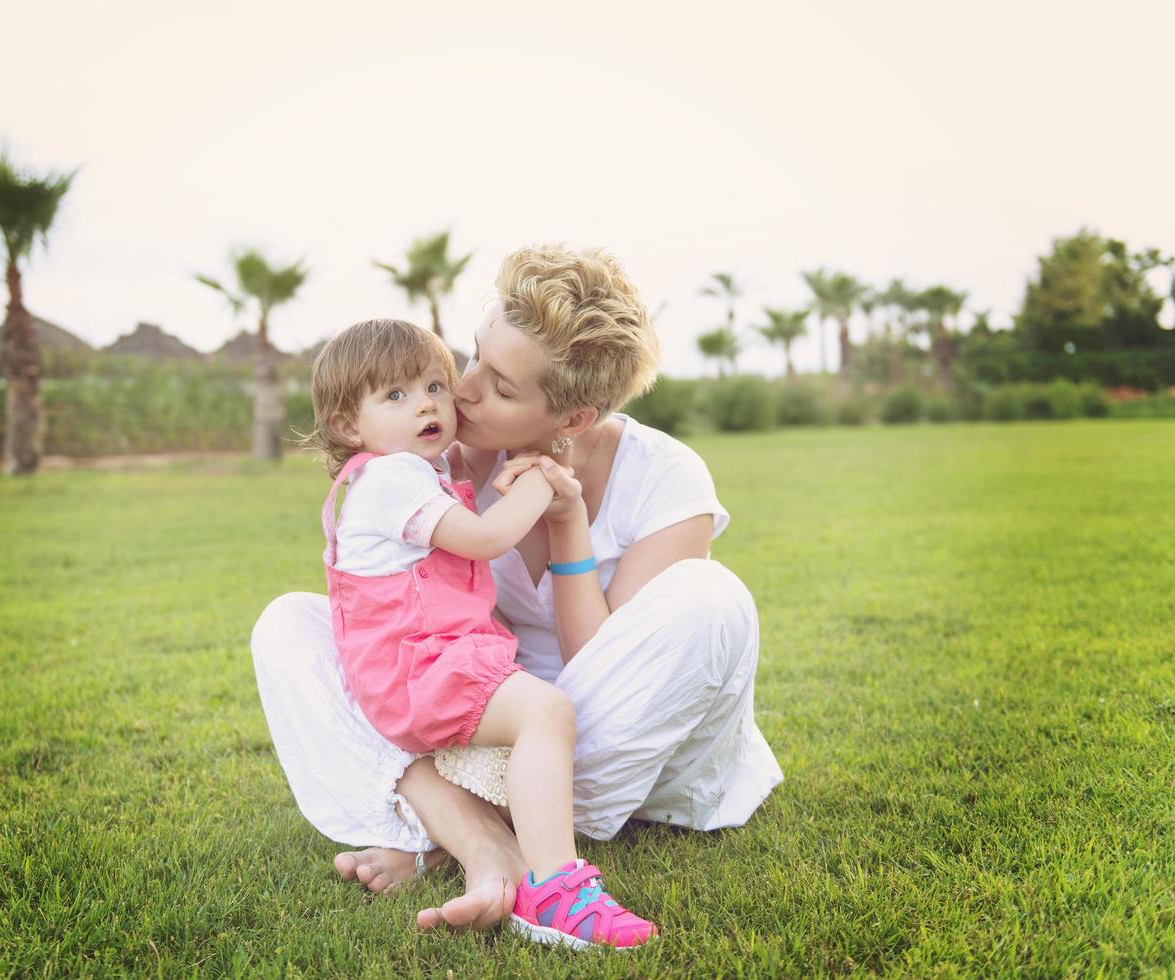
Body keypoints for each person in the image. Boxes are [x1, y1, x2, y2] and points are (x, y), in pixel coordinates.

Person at [252, 244, 782, 934]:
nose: (462, 391)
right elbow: (392, 620)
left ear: (572, 420)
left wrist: (567, 525)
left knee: (713, 598)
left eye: (500, 387)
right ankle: (483, 841)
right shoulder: (430, 458)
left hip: (617, 739)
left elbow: (604, 662)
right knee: (291, 624)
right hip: (493, 725)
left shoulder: (666, 479)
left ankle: (446, 823)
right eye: (472, 357)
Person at [298, 316, 657, 949]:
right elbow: (487, 538)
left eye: (435, 384)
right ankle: (557, 890)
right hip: (420, 670)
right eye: (396, 396)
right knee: (545, 712)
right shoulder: (388, 480)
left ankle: (462, 848)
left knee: (528, 720)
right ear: (349, 426)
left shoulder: (393, 476)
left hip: (420, 666)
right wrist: (543, 481)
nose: (429, 404)